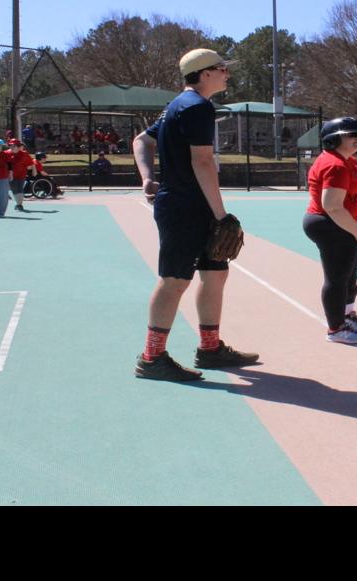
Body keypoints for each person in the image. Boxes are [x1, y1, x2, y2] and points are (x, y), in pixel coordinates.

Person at [130, 48, 258, 381]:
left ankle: (210, 349)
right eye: (222, 69)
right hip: (185, 206)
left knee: (215, 274)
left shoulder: (177, 105)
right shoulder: (198, 107)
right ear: (204, 74)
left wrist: (147, 178)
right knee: (175, 280)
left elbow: (141, 141)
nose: (227, 74)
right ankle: (152, 358)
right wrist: (222, 215)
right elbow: (202, 162)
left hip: (187, 203)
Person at [302, 116, 357, 345]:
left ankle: (347, 316)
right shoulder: (334, 164)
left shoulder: (348, 161)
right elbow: (332, 206)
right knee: (337, 279)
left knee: (348, 276)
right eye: (352, 135)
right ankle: (336, 329)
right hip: (330, 224)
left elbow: (347, 192)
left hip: (338, 223)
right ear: (334, 139)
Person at [6, 139, 36, 211]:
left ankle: (19, 205)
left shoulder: (24, 154)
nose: (12, 147)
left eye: (14, 146)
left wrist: (34, 171)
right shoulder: (6, 153)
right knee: (14, 189)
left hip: (21, 174)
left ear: (19, 147)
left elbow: (31, 163)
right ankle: (18, 203)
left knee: (19, 189)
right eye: (10, 145)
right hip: (10, 175)